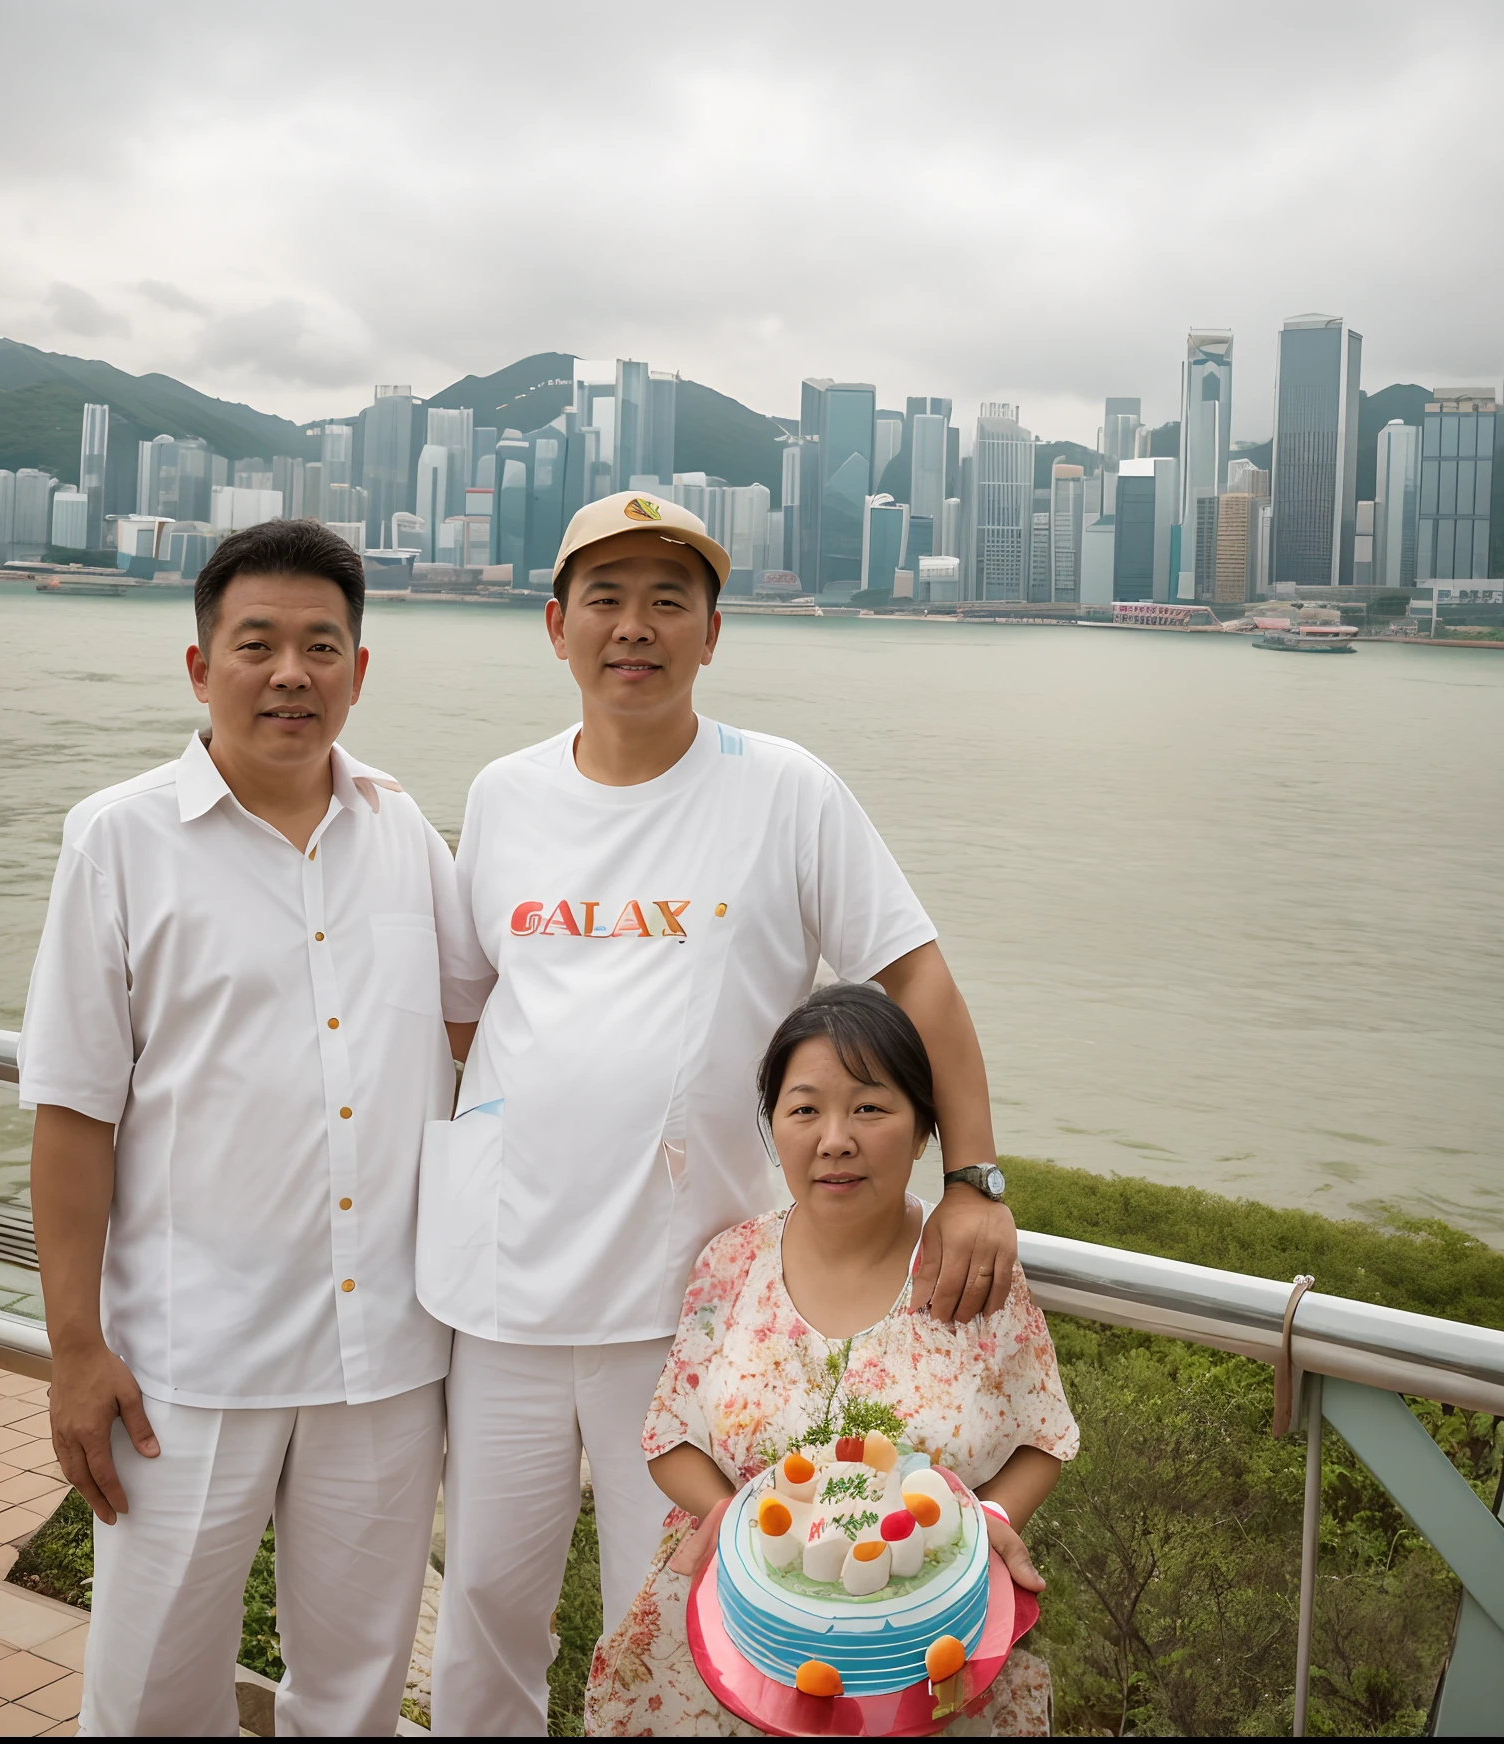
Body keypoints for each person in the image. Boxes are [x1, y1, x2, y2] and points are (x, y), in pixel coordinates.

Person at [424, 491, 1021, 1733]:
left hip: (694, 1304)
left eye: (666, 600)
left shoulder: (782, 789)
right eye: (604, 598)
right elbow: (464, 1011)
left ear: (710, 630)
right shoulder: (502, 794)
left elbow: (915, 978)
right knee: (484, 1594)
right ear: (554, 626)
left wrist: (972, 1180)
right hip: (505, 1289)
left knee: (688, 1613)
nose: (632, 627)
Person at [18, 520, 490, 1735]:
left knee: (354, 1687)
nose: (291, 671)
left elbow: (483, 1035)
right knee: (150, 1688)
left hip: (384, 1355)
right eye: (258, 643)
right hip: (189, 1359)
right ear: (198, 666)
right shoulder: (116, 840)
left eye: (320, 645)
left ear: (358, 669)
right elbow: (73, 1111)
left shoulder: (402, 831)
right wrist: (75, 1348)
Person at [582, 981, 1078, 1735]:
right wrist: (738, 1521)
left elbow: (1043, 1436)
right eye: (805, 1108)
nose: (835, 1139)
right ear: (775, 1126)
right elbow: (669, 1437)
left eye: (870, 1108)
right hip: (733, 1652)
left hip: (930, 1669)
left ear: (922, 1132)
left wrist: (984, 1520)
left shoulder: (968, 1271)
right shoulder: (732, 1263)